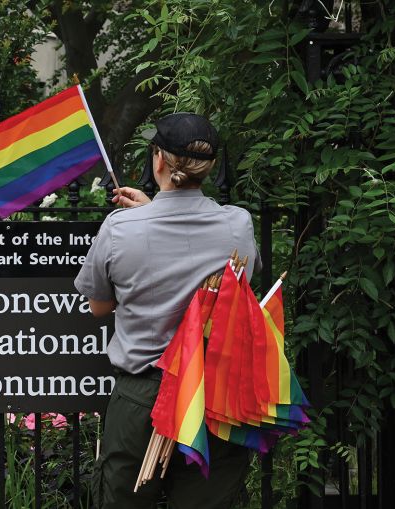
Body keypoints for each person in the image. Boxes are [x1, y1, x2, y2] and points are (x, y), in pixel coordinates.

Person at [74, 113, 261, 508]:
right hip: (215, 397)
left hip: (142, 395)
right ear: (208, 168)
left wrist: (142, 215)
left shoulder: (120, 228)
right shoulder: (238, 225)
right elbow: (241, 284)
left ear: (158, 160)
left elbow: (98, 306)